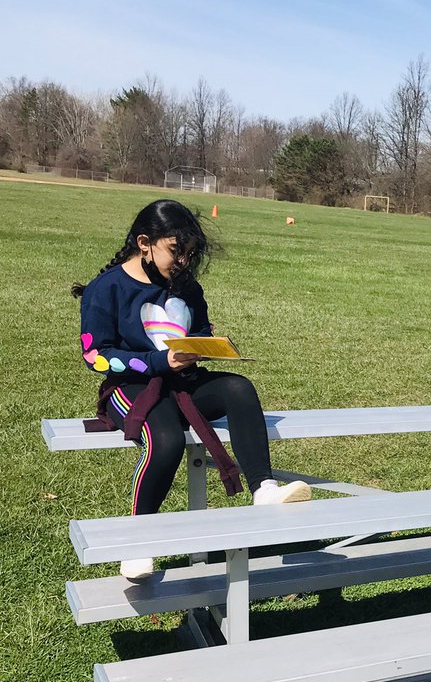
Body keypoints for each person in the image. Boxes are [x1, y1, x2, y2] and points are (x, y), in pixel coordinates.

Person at [72, 199, 311, 580]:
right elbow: (94, 355)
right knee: (166, 439)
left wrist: (202, 345)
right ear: (144, 242)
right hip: (130, 387)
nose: (182, 262)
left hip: (181, 380)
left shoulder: (187, 287)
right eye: (175, 251)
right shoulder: (107, 288)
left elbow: (197, 331)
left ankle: (263, 489)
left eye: (189, 254)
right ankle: (138, 542)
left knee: (239, 389)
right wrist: (157, 363)